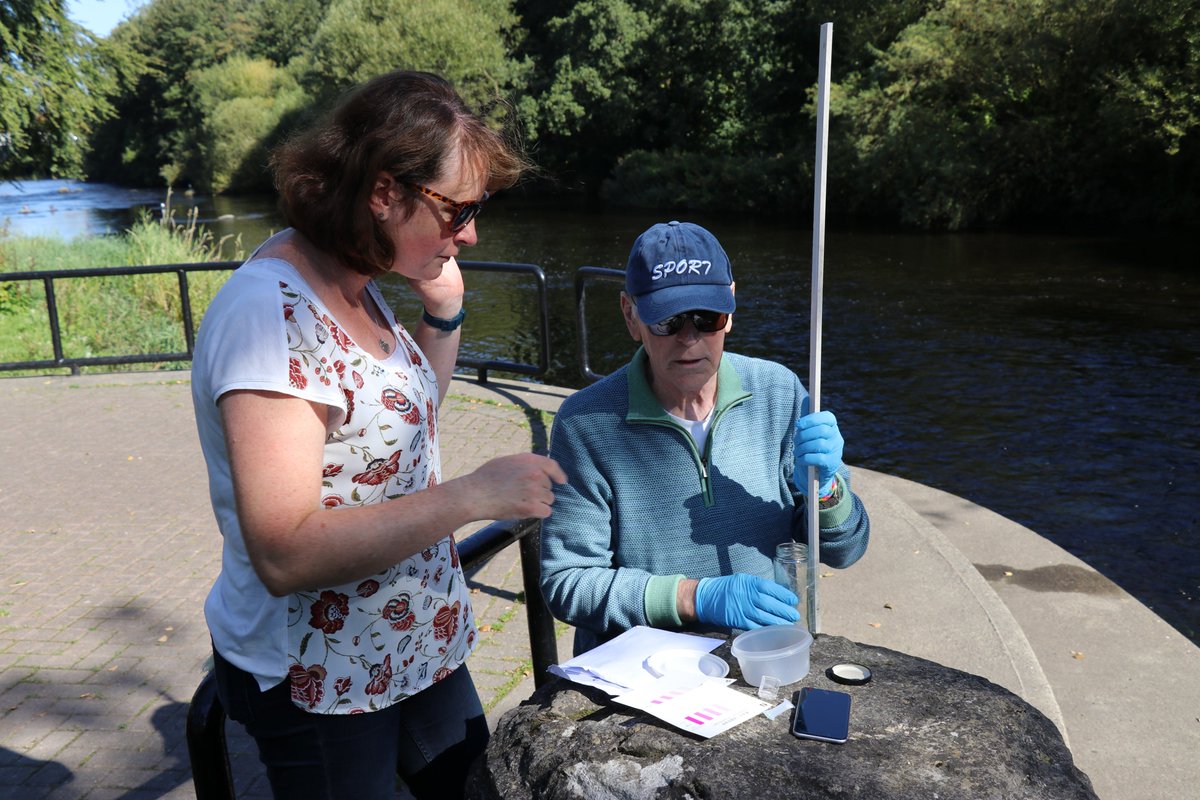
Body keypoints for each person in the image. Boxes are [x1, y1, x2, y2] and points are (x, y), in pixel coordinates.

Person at [190, 71, 565, 799]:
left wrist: (443, 317)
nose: (471, 232)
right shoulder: (269, 316)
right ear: (384, 193)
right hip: (321, 673)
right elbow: (285, 551)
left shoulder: (353, 279)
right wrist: (474, 495)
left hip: (413, 637)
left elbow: (393, 428)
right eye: (458, 210)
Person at [540, 221, 869, 656]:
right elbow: (568, 582)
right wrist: (695, 598)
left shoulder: (781, 392)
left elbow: (846, 551)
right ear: (629, 314)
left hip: (760, 655)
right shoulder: (585, 423)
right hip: (643, 672)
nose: (690, 337)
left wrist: (827, 491)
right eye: (669, 320)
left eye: (706, 317)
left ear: (730, 307)